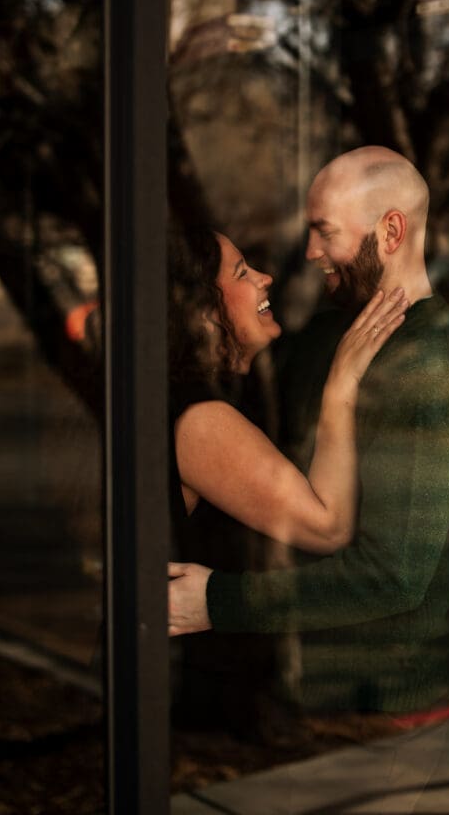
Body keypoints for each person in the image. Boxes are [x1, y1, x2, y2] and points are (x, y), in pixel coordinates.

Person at [169, 146, 449, 721]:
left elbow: (392, 577)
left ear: (390, 231)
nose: (310, 252)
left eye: (325, 231)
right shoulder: (324, 337)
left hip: (381, 710)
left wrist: (220, 601)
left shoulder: (426, 367)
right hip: (305, 703)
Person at [167, 220, 407, 732]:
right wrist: (343, 381)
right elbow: (327, 527)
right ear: (206, 312)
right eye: (241, 272)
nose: (265, 278)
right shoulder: (200, 420)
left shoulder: (194, 401)